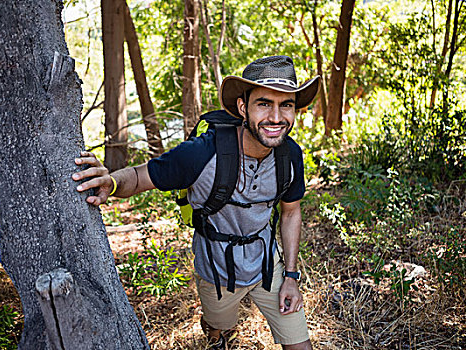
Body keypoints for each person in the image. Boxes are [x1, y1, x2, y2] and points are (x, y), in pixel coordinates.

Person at [73, 55, 319, 350]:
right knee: (219, 332)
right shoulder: (202, 154)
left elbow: (291, 212)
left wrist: (291, 275)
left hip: (268, 265)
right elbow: (140, 177)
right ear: (243, 108)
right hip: (217, 269)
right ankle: (216, 330)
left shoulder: (290, 156)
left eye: (286, 105)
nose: (277, 117)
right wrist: (110, 183)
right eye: (264, 103)